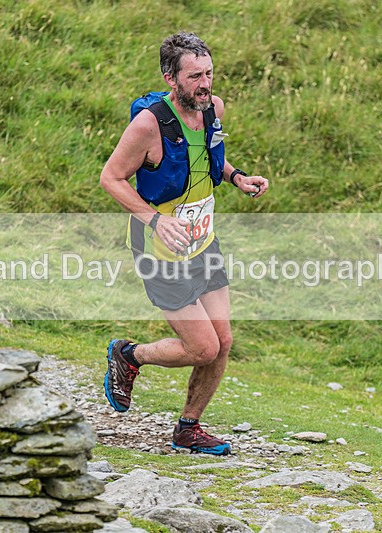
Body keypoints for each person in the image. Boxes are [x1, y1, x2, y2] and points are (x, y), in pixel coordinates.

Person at [99, 32, 269, 455]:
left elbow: (208, 156)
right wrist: (155, 221)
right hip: (160, 251)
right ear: (170, 77)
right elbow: (111, 178)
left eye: (209, 73)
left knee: (223, 341)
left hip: (202, 240)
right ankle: (130, 355)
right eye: (195, 76)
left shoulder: (213, 109)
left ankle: (188, 429)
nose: (205, 83)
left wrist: (236, 177)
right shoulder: (148, 125)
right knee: (202, 346)